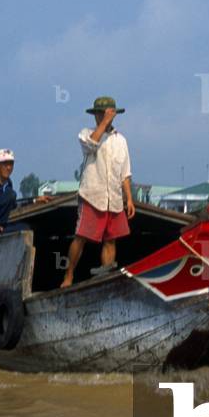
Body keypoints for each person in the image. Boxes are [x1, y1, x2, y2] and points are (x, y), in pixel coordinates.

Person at [60, 96, 136, 287]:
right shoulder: (87, 134)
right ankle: (68, 276)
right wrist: (103, 123)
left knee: (111, 240)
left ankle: (106, 279)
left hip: (115, 199)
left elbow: (125, 173)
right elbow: (91, 144)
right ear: (96, 115)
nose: (105, 118)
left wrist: (129, 198)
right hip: (92, 195)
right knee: (81, 237)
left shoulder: (121, 140)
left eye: (108, 115)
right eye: (101, 115)